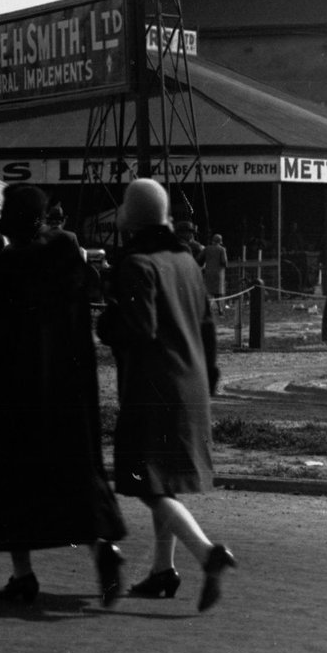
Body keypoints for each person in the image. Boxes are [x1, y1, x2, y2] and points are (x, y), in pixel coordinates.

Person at [0, 185, 127, 604]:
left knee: (9, 483)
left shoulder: (2, 267)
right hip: (66, 393)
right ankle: (101, 546)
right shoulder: (66, 260)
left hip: (14, 396)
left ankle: (23, 574)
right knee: (73, 474)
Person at [97, 178, 237, 612]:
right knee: (164, 478)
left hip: (154, 385)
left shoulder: (137, 264)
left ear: (131, 216)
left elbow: (138, 328)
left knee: (144, 479)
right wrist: (208, 377)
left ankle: (205, 553)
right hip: (192, 382)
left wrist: (105, 328)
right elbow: (208, 328)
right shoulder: (187, 262)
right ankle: (162, 570)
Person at [200, 232, 229, 298]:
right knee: (218, 294)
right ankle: (220, 308)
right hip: (218, 275)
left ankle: (208, 307)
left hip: (208, 274)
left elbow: (199, 259)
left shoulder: (207, 248)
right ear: (220, 241)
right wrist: (225, 266)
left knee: (208, 293)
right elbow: (224, 261)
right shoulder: (222, 249)